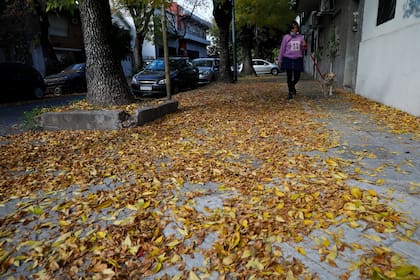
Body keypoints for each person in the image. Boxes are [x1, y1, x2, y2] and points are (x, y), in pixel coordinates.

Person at [278, 21, 307, 100]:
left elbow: (303, 49)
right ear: (290, 28)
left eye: (296, 27)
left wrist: (304, 45)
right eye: (293, 27)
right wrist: (280, 60)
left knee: (297, 76)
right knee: (289, 76)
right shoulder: (286, 37)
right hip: (287, 58)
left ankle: (292, 85)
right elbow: (282, 49)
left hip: (298, 58)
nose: (295, 29)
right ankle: (290, 92)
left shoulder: (300, 37)